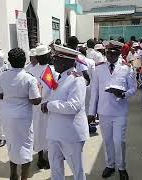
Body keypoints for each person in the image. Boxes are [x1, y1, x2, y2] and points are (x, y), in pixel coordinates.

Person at [88, 40, 137, 180]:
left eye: (113, 53)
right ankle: (110, 165)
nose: (110, 55)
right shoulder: (99, 68)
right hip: (103, 112)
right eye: (108, 53)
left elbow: (133, 88)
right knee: (108, 140)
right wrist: (92, 112)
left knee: (119, 141)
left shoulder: (127, 68)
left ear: (119, 53)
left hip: (120, 111)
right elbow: (95, 92)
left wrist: (123, 94)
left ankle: (122, 167)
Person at [41, 44, 89, 180]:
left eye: (55, 59)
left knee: (77, 170)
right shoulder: (59, 77)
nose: (53, 62)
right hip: (55, 131)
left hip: (71, 133)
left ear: (65, 61)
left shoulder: (77, 79)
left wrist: (49, 105)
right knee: (55, 168)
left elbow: (73, 106)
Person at [0, 48, 42, 180]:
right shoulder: (29, 78)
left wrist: (11, 97)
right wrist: (38, 90)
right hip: (22, 118)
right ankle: (24, 178)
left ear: (9, 61)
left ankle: (13, 174)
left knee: (11, 143)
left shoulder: (3, 75)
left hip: (6, 115)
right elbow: (36, 101)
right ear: (24, 61)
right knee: (25, 146)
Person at [28, 45, 57, 169]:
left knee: (38, 131)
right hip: (48, 106)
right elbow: (54, 89)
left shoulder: (31, 70)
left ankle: (40, 158)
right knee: (50, 131)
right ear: (46, 56)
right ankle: (49, 158)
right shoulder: (51, 71)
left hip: (35, 106)